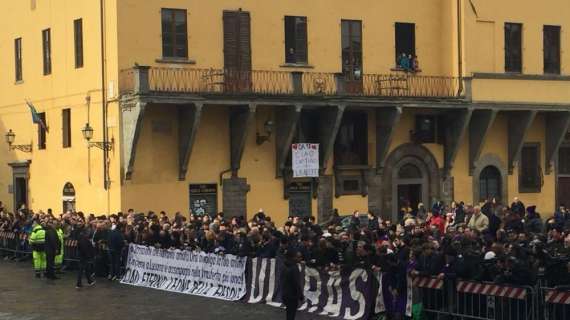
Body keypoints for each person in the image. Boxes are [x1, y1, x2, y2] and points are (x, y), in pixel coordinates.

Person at [281, 249, 303, 320]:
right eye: (298, 257)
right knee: (291, 314)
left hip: (285, 293)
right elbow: (296, 283)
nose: (300, 258)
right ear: (293, 257)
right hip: (292, 295)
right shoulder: (294, 267)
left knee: (289, 313)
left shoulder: (284, 265)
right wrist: (300, 296)